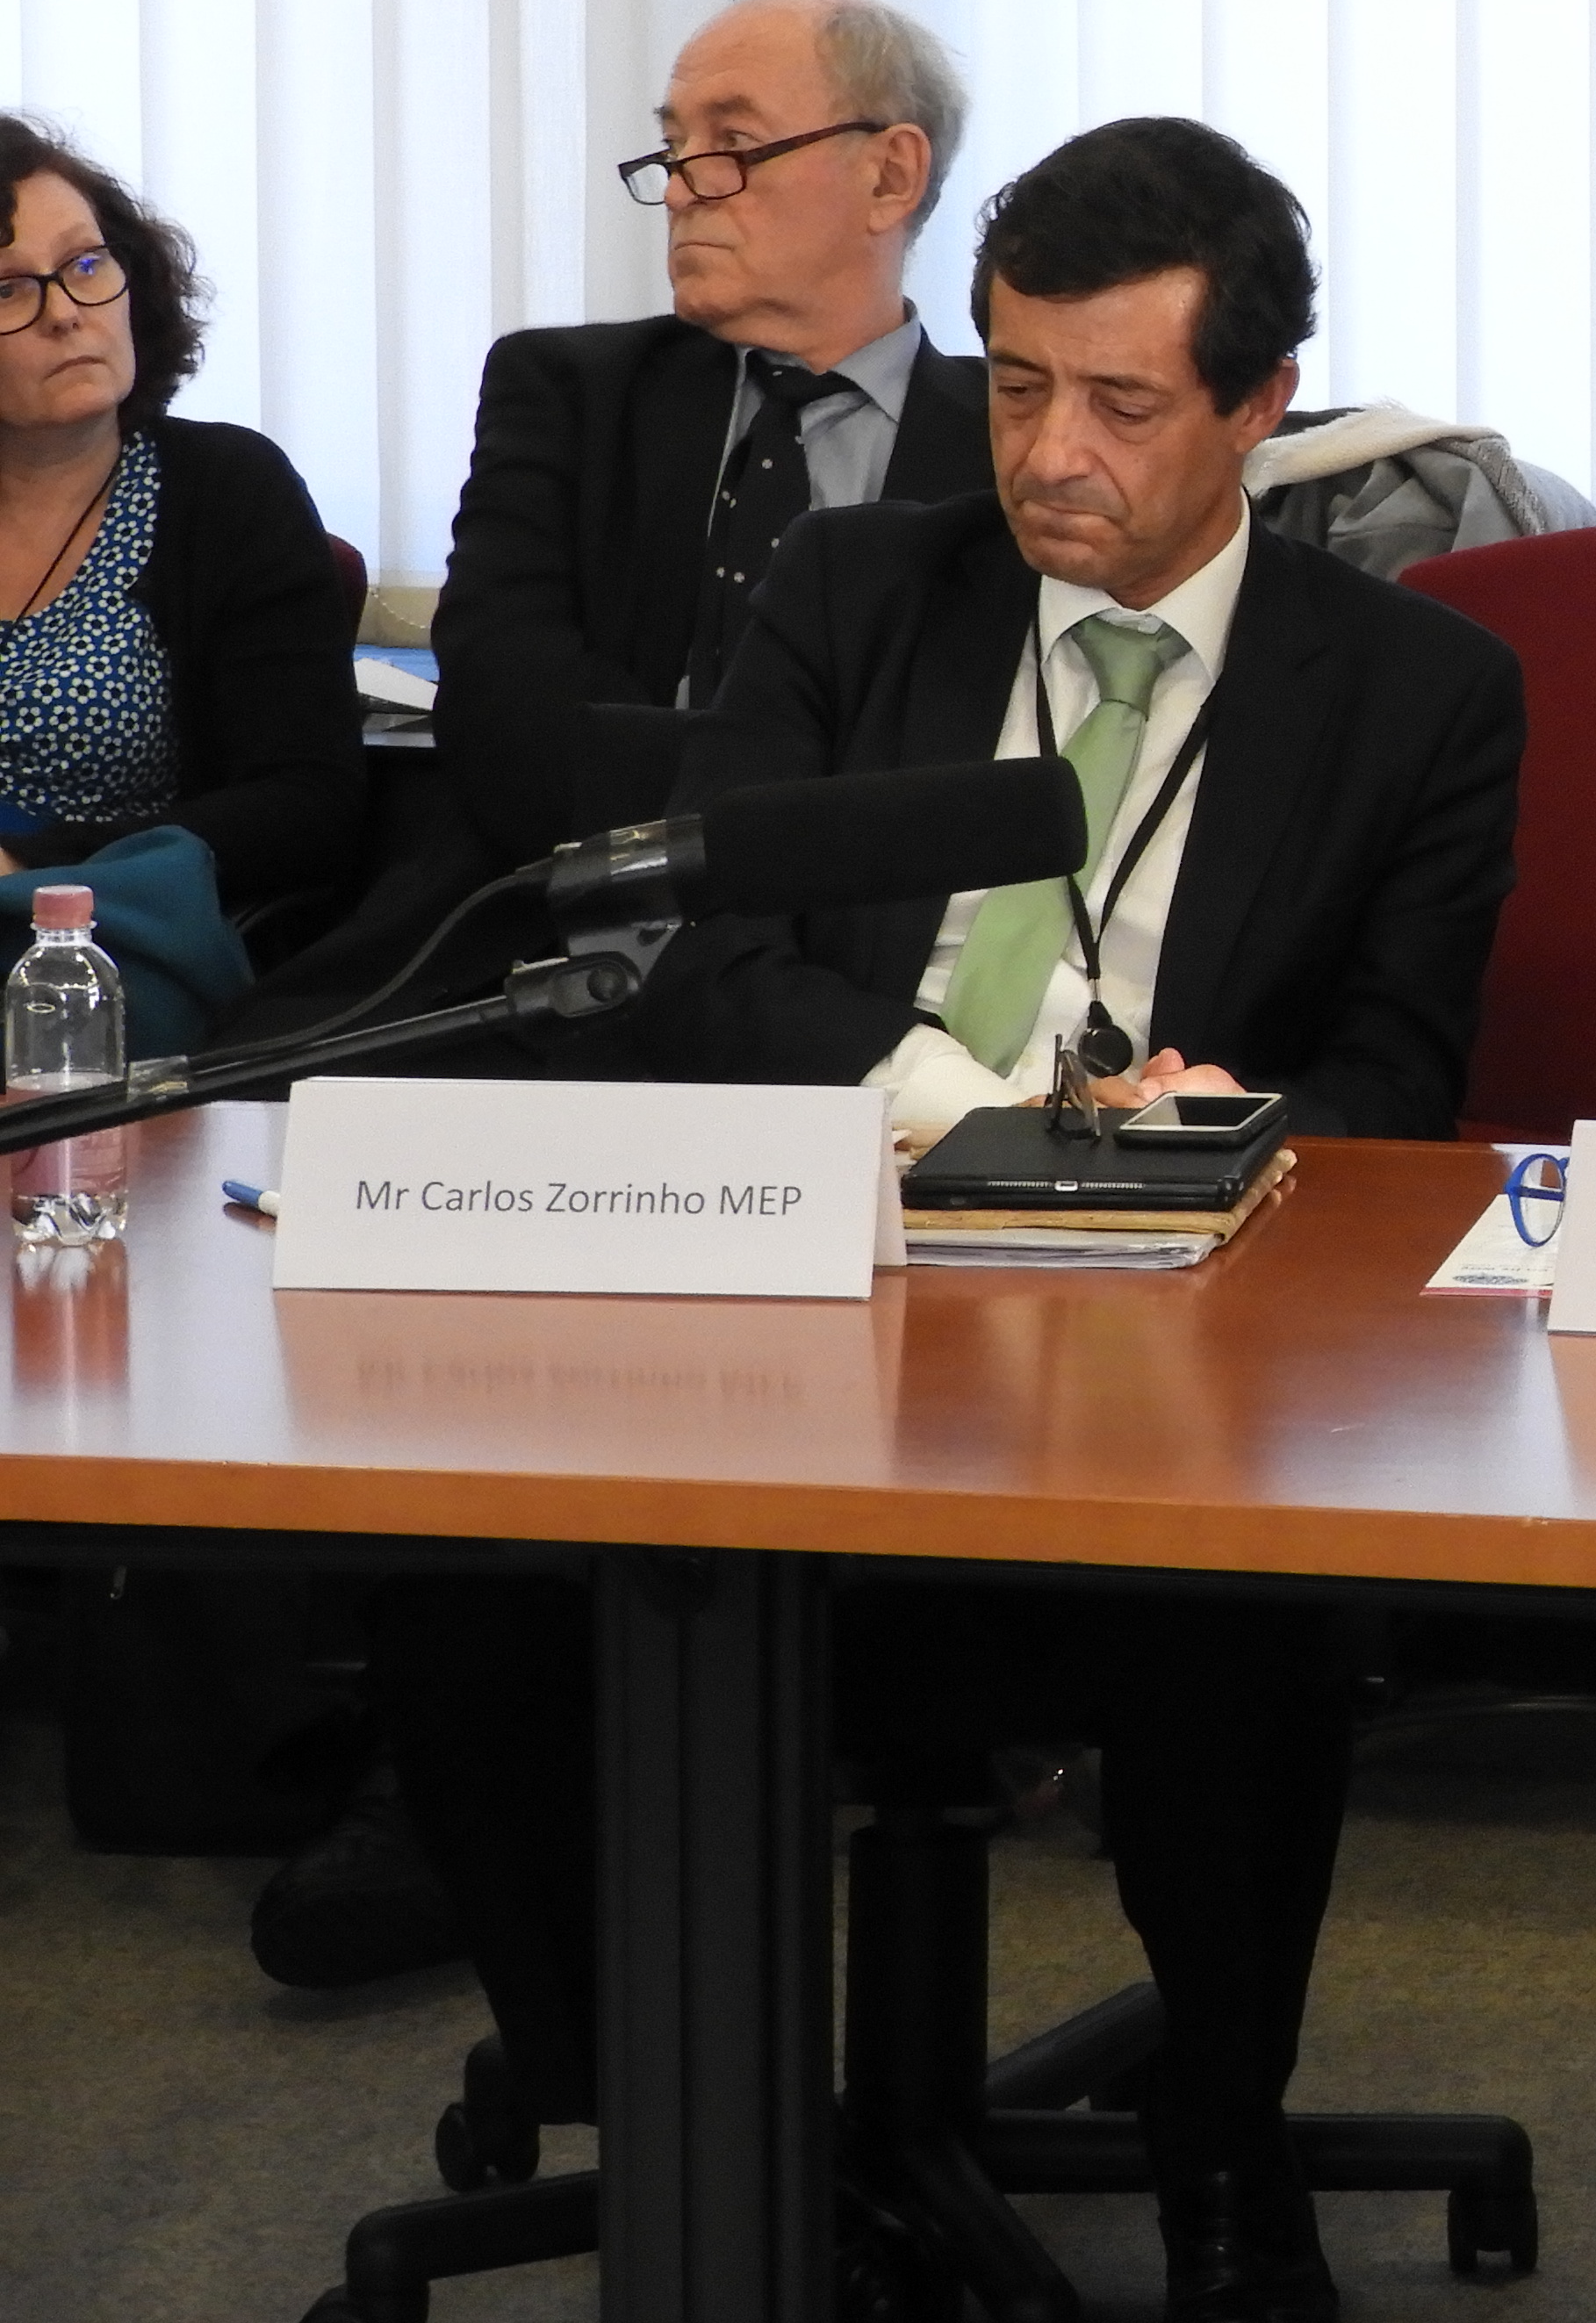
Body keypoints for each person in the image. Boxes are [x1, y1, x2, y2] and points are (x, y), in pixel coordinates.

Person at [375, 117, 1528, 2323]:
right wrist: (972, 1113)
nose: (1050, 456)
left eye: (1120, 403)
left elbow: (1403, 1074)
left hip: (1166, 1367)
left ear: (1259, 404)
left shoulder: (1415, 691)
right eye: (1015, 386)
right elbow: (704, 954)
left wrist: (1236, 1123)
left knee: (1238, 1627)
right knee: (473, 1572)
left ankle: (1222, 2151)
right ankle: (691, 2133)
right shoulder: (858, 593)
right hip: (821, 1301)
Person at [428, 0, 993, 861]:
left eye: (731, 144)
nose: (681, 189)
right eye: (674, 148)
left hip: (889, 920)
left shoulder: (1011, 442)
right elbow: (505, 717)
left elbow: (980, 758)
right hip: (582, 896)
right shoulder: (568, 394)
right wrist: (817, 803)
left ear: (890, 176)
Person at [0, 116, 360, 1024]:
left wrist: (38, 863)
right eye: (11, 289)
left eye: (86, 265)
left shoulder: (226, 489)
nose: (66, 311)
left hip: (99, 955)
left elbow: (309, 804)